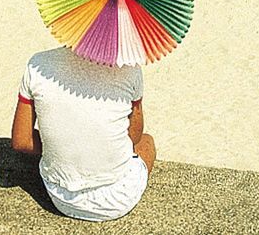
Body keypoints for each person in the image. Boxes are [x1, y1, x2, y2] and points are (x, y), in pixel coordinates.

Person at [11, 46, 154, 222]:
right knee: (147, 142)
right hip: (117, 199)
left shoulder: (37, 64)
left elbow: (21, 141)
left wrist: (58, 148)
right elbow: (134, 137)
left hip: (60, 196)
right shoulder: (130, 68)